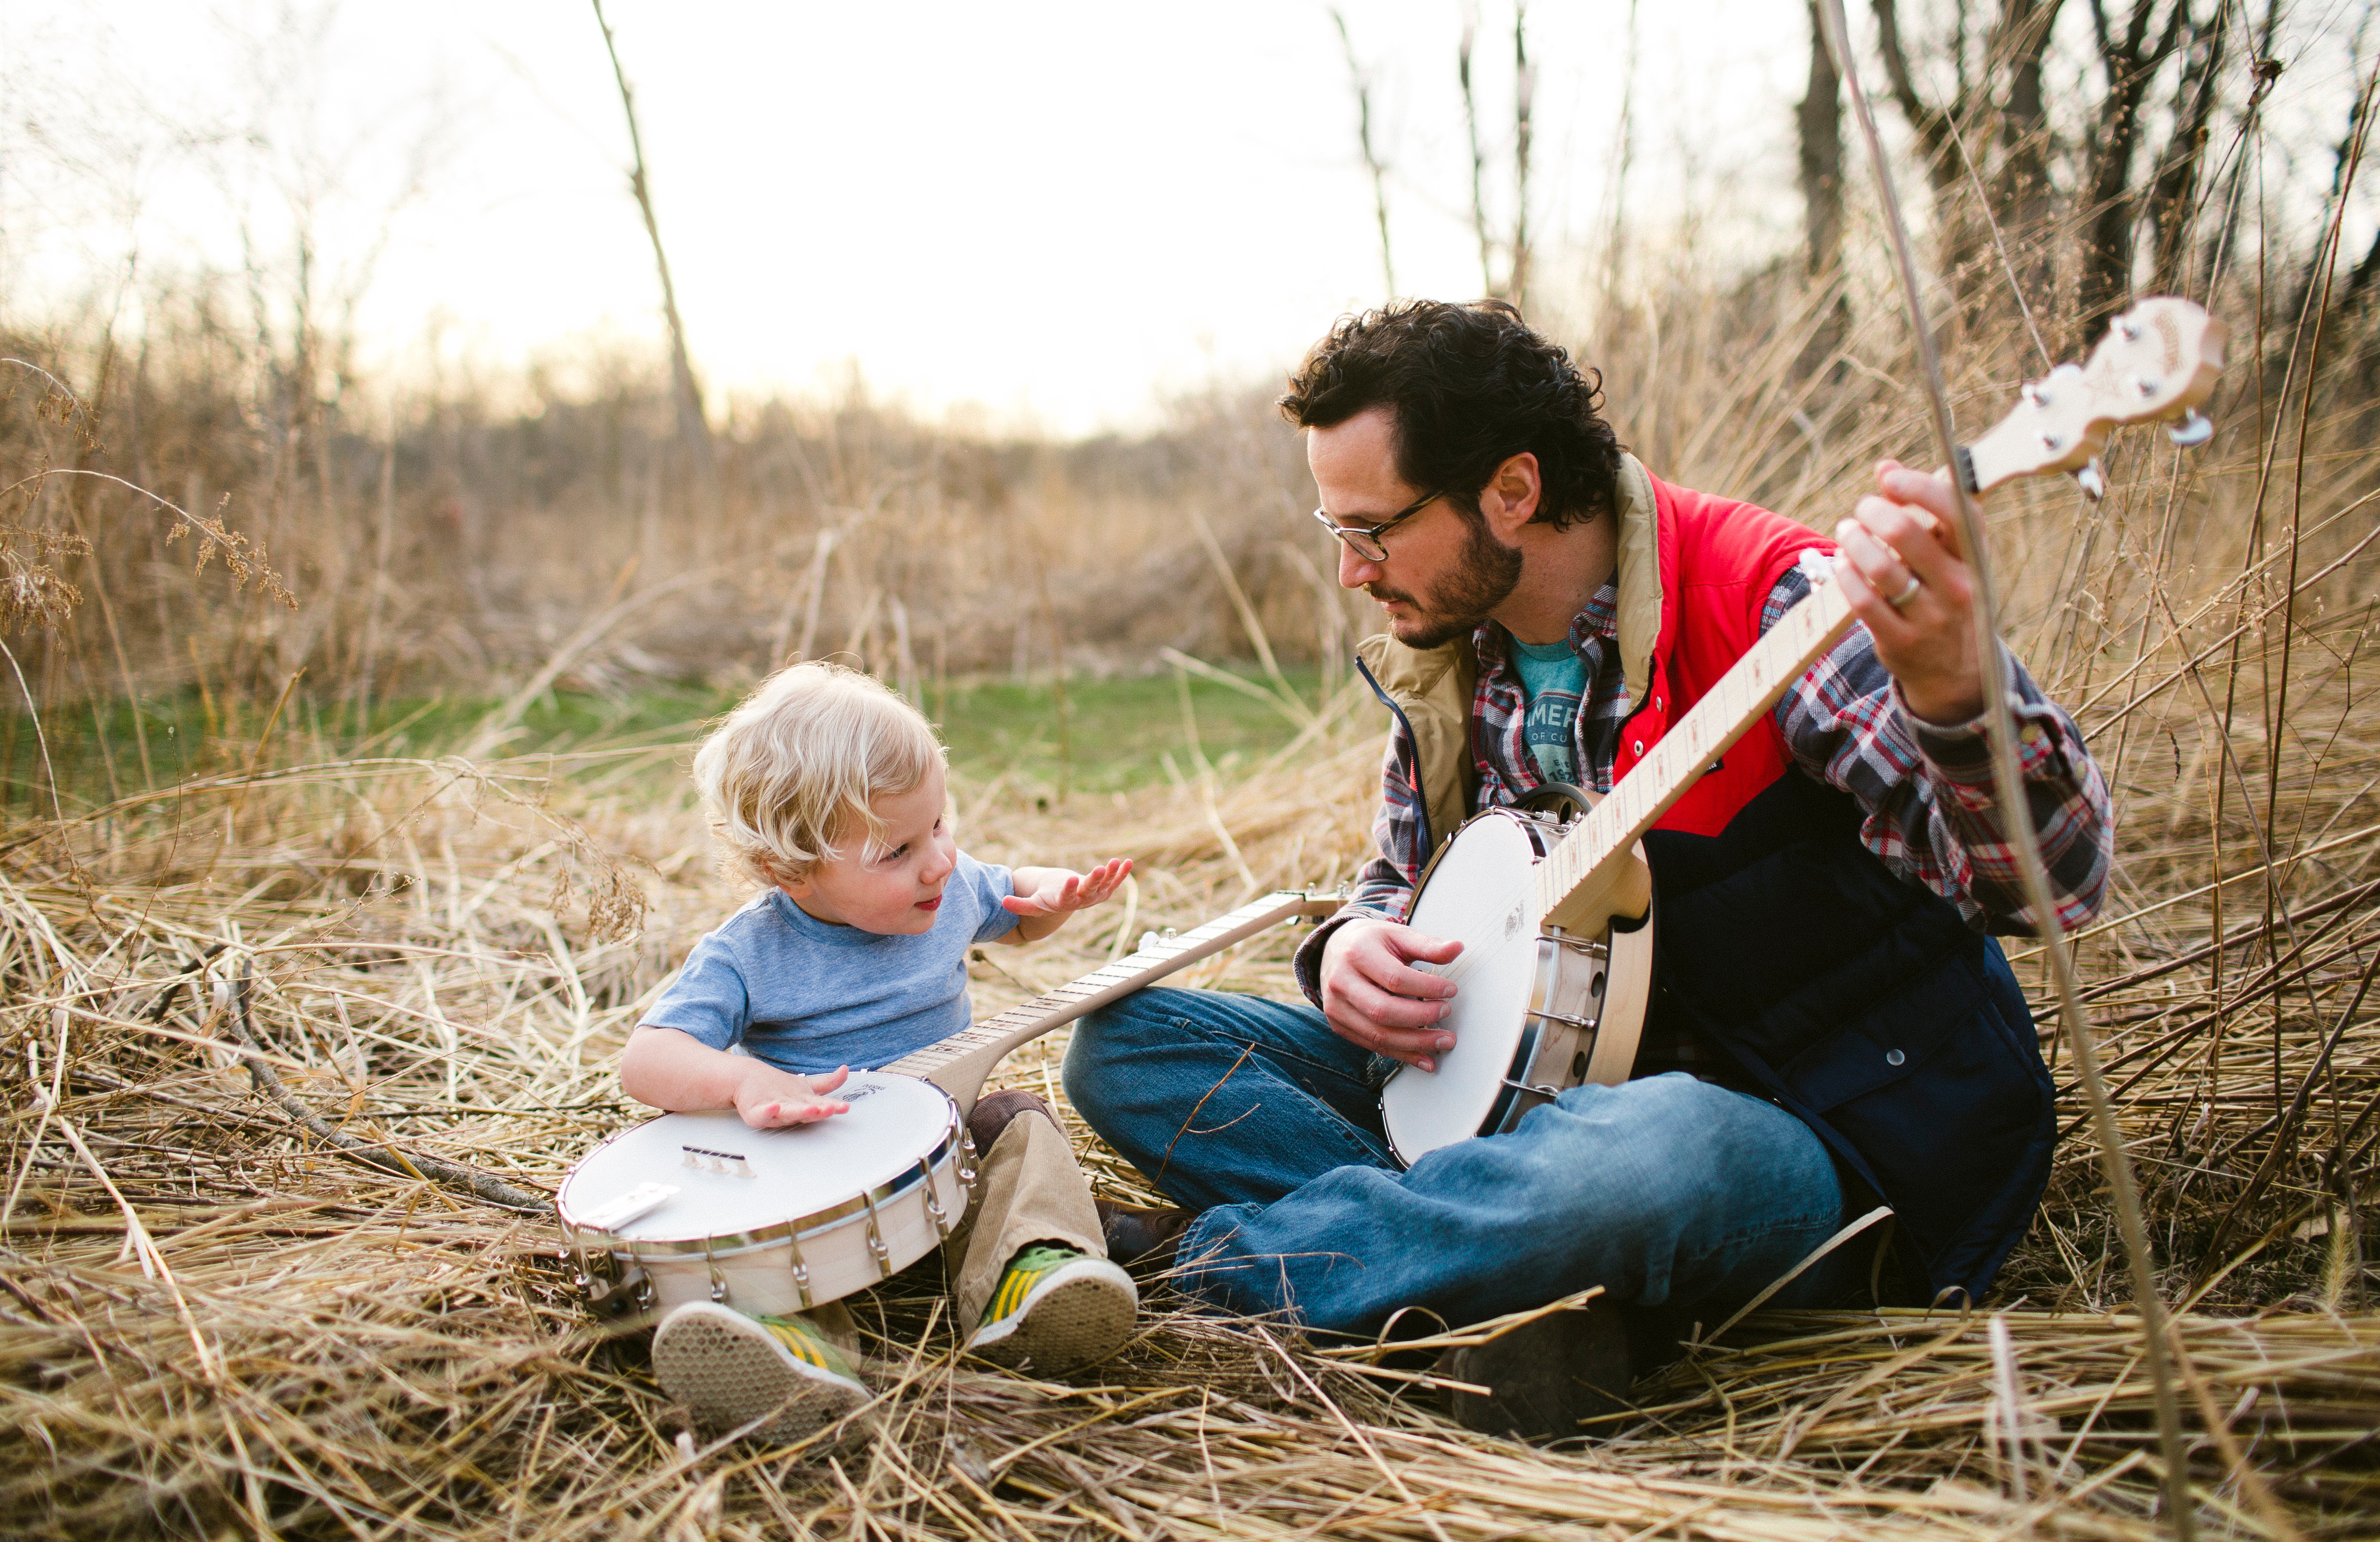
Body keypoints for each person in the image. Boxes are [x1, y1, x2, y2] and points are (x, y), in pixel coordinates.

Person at [1067, 300, 2112, 1438]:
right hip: (1524, 1107)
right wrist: (1349, 950)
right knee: (1126, 1044)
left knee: (1644, 1158)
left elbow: (2051, 888)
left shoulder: (1780, 604)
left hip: (1812, 1136)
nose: (1352, 574)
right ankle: (1489, 1282)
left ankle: (1202, 1271)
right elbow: (1391, 879)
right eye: (1337, 532)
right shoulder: (1453, 658)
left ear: (1512, 491)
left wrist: (1957, 695)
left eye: (1375, 531)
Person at [619, 662, 1135, 1441]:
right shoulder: (748, 954)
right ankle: (796, 1351)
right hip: (820, 1171)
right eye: (897, 851)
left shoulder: (950, 889)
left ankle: (1029, 1281)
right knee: (775, 1235)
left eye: (940, 825)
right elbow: (646, 1060)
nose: (938, 859)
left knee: (1022, 1122)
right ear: (787, 870)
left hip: (947, 1150)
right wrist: (745, 1081)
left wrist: (1057, 896)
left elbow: (1018, 908)